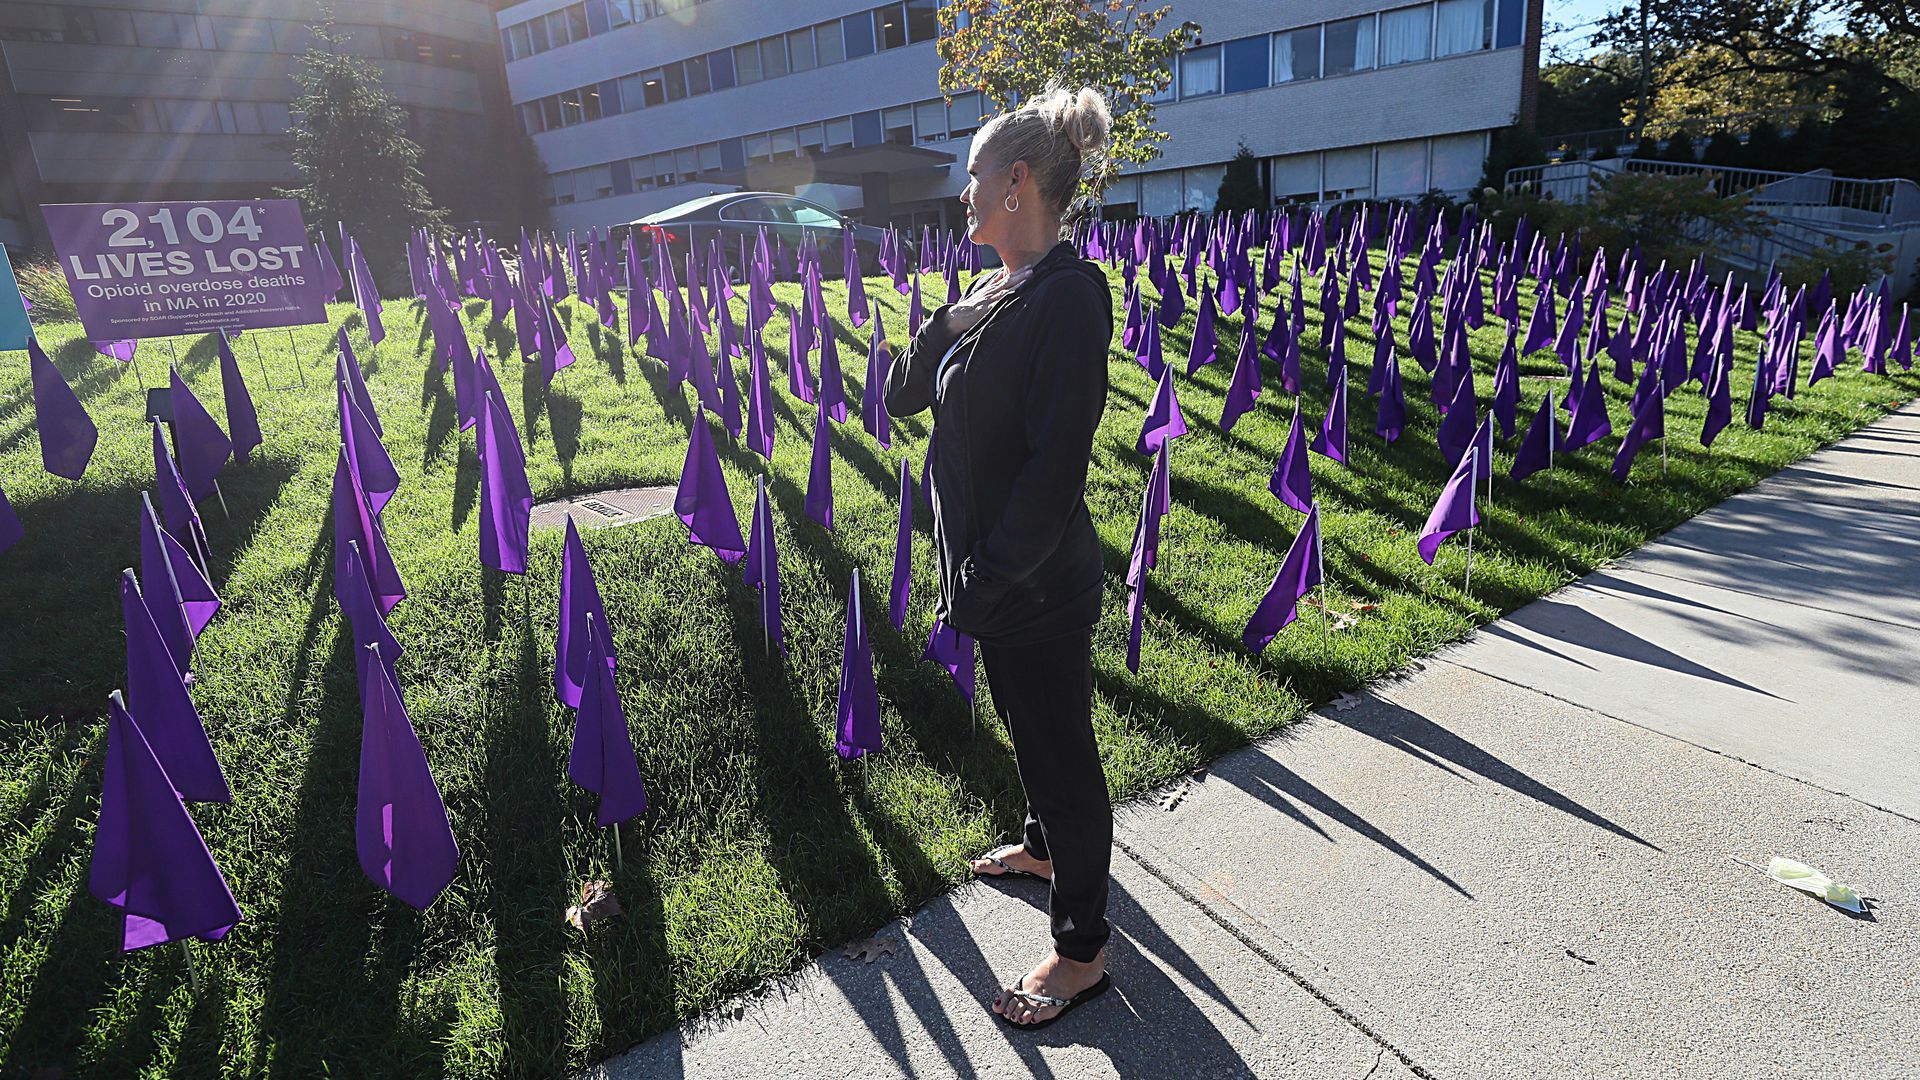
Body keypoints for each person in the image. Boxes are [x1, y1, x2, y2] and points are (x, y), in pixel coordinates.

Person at [883, 84, 1116, 1029]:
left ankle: (1081, 951)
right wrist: (947, 323)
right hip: (993, 582)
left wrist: (982, 583)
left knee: (1063, 755)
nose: (963, 190)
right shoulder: (993, 292)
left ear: (1018, 181)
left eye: (973, 174)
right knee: (1028, 730)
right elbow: (902, 396)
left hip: (1036, 585)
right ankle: (1042, 847)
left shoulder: (1069, 298)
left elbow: (1056, 470)